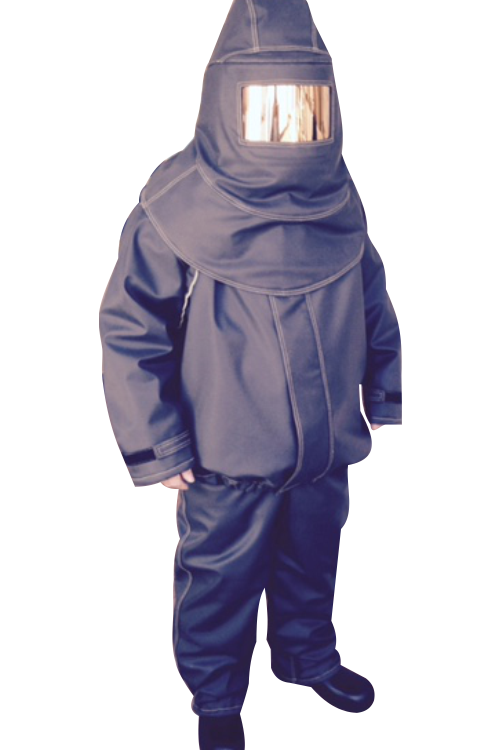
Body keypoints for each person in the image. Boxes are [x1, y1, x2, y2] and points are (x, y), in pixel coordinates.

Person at [99, 1, 402, 747]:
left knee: (314, 557)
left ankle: (307, 657)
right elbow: (131, 330)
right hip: (225, 452)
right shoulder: (175, 208)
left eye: (303, 110)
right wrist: (159, 443)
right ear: (225, 102)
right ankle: (216, 695)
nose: (286, 129)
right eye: (265, 110)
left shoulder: (339, 197)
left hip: (325, 447)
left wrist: (383, 390)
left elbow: (373, 300)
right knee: (220, 577)